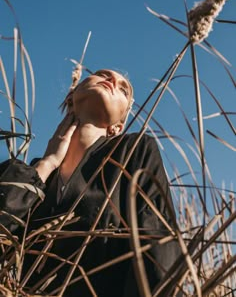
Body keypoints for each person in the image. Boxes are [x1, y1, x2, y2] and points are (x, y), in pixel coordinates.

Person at [0, 69, 181, 296]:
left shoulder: (134, 152)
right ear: (71, 98)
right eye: (102, 74)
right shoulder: (21, 173)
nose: (113, 80)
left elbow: (158, 244)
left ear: (118, 126)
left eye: (123, 88)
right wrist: (47, 163)